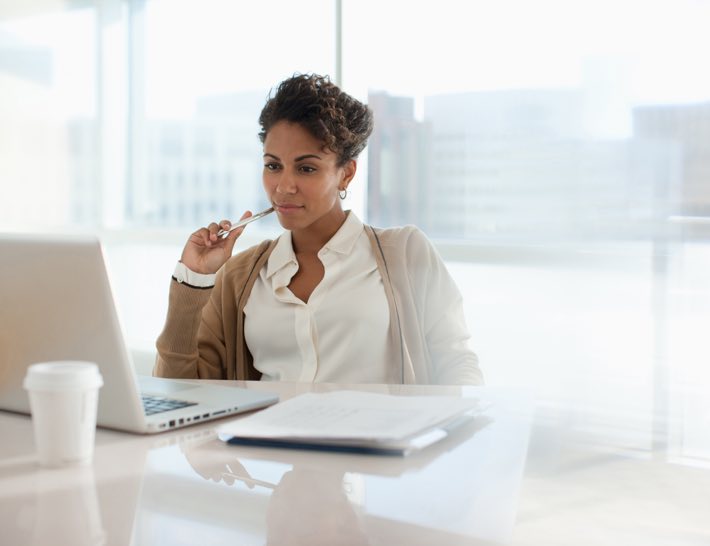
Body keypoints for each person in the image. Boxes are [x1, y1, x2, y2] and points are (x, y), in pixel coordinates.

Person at [154, 73, 483, 385]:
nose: (283, 187)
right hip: (265, 444)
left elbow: (457, 364)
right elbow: (181, 392)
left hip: (373, 443)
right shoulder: (240, 276)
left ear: (346, 173)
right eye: (273, 166)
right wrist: (194, 278)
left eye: (306, 168)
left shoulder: (406, 252)